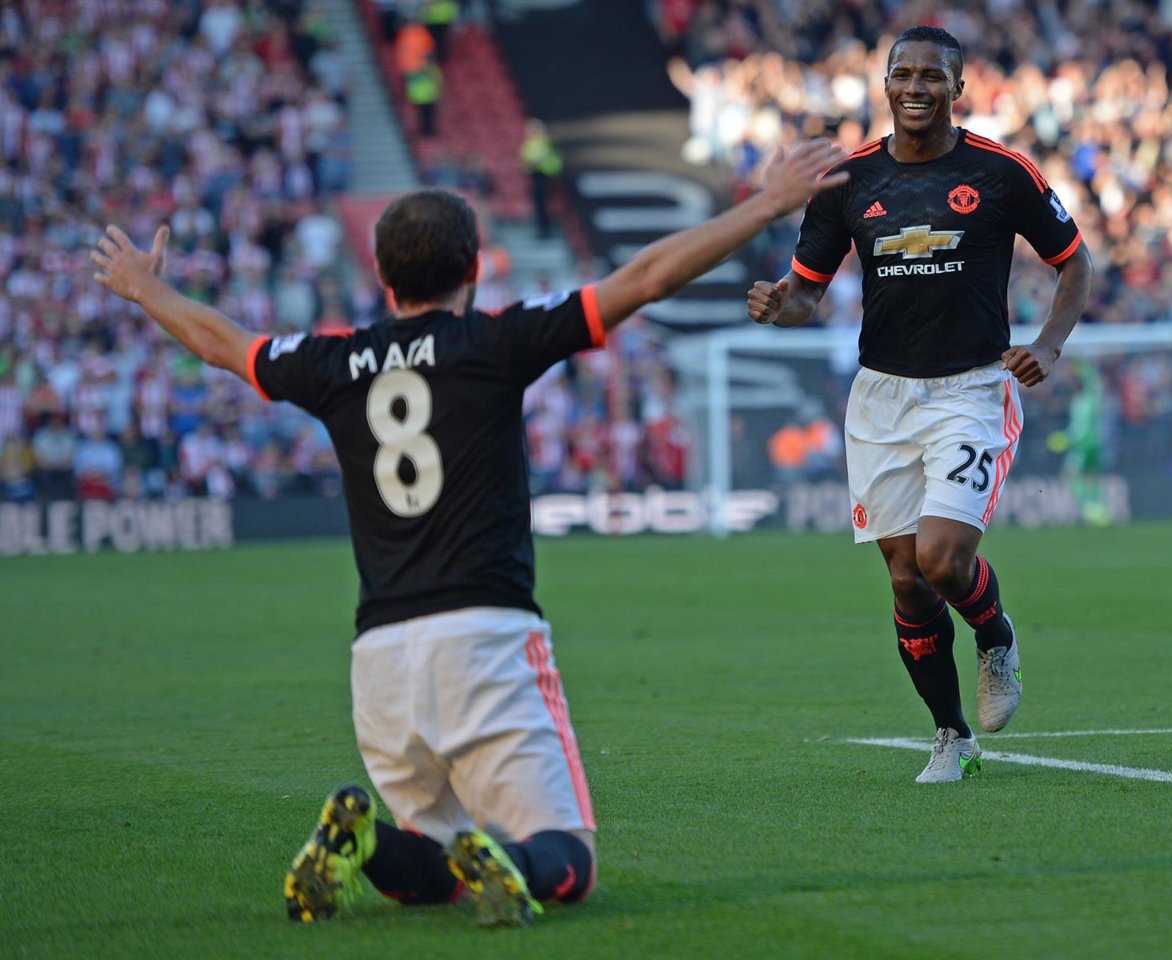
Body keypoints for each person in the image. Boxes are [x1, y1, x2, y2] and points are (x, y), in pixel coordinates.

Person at [89, 139, 847, 925]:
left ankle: (366, 847)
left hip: (378, 659)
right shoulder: (494, 343)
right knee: (569, 858)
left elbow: (225, 346)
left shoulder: (331, 362)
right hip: (485, 634)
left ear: (383, 278)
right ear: (475, 267)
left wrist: (145, 288)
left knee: (441, 855)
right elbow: (645, 279)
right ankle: (512, 863)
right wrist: (765, 204)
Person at [747, 26, 1093, 784]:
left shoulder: (1002, 173)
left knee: (941, 559)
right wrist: (780, 305)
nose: (915, 87)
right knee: (904, 577)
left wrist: (1051, 344)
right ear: (884, 86)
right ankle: (951, 735)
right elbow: (807, 290)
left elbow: (1075, 263)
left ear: (957, 86)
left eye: (931, 76)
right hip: (880, 398)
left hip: (970, 388)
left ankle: (995, 638)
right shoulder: (849, 181)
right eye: (902, 74)